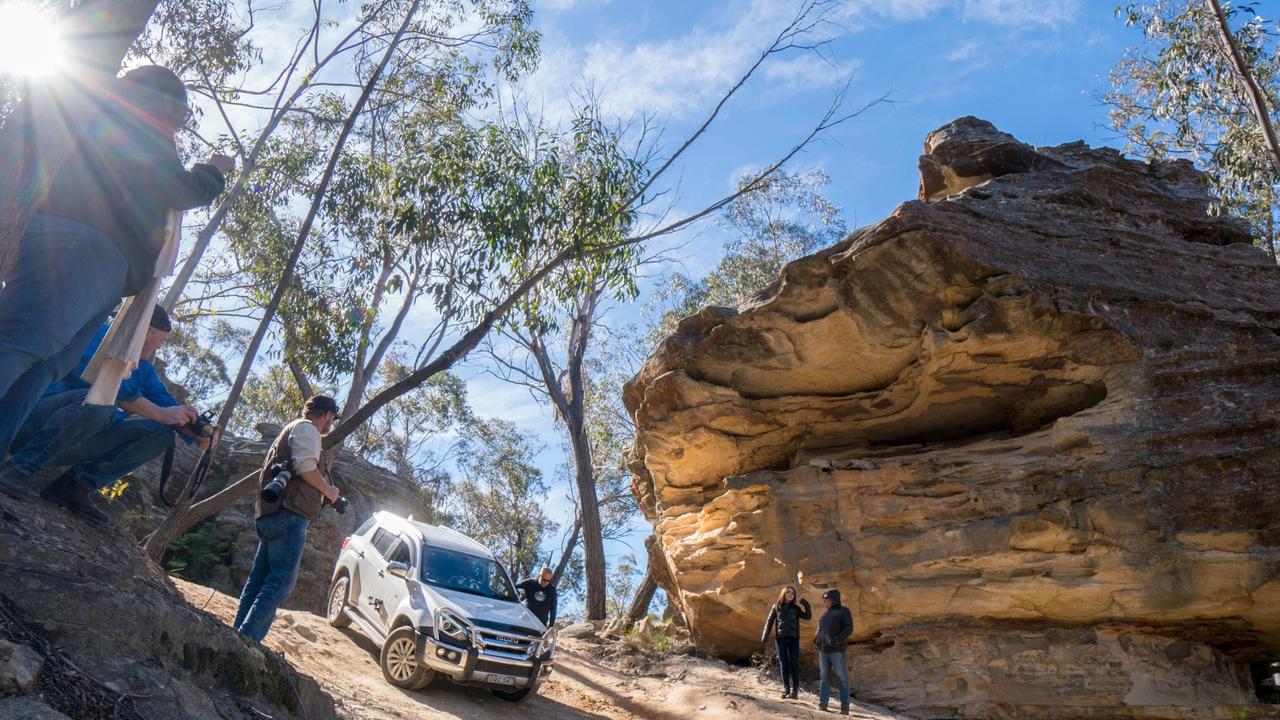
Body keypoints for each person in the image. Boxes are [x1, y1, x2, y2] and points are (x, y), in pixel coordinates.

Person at [0, 65, 233, 459]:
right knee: (23, 341)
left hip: (106, 267)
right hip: (81, 243)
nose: (181, 121)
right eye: (180, 111)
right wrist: (213, 172)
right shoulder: (127, 122)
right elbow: (177, 188)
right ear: (159, 101)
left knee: (46, 365)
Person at [0, 306, 213, 523]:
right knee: (101, 403)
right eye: (161, 340)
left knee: (161, 433)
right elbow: (106, 385)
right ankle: (18, 469)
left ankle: (73, 487)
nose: (159, 347)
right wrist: (159, 412)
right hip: (31, 423)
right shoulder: (99, 336)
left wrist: (197, 430)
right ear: (146, 332)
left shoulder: (145, 370)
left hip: (74, 442)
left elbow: (169, 409)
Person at [233, 395, 342, 642]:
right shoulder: (308, 430)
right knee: (282, 582)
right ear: (326, 414)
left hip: (270, 513)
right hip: (289, 515)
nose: (331, 424)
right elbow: (305, 467)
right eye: (332, 418)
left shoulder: (290, 430)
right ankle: (247, 638)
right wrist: (329, 492)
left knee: (259, 579)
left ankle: (237, 635)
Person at [761, 585, 811, 699]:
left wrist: (805, 604)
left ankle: (795, 692)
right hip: (780, 639)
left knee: (794, 664)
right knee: (783, 664)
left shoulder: (796, 608)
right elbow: (769, 621)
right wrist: (765, 636)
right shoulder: (776, 607)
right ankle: (786, 689)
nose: (790, 594)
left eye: (792, 593)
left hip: (794, 639)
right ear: (783, 593)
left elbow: (808, 616)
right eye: (788, 592)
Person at [813, 588, 853, 715]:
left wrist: (837, 640)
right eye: (824, 599)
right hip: (823, 651)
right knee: (824, 678)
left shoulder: (844, 611)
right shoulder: (824, 614)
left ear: (834, 598)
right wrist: (816, 640)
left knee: (841, 678)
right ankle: (823, 704)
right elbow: (819, 629)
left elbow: (849, 628)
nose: (825, 601)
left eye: (827, 598)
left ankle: (845, 707)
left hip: (837, 651)